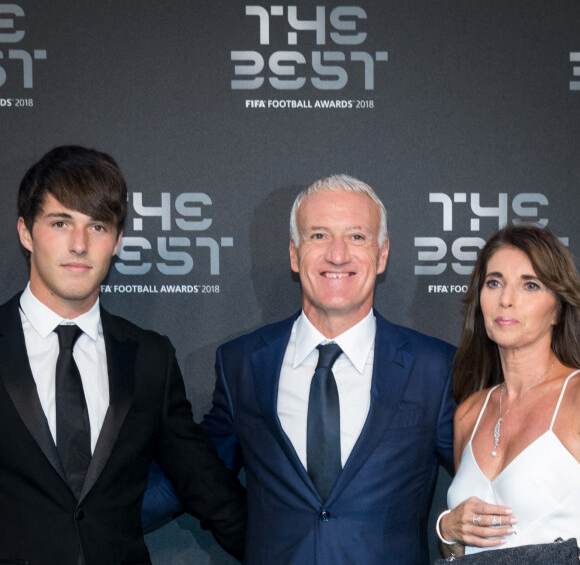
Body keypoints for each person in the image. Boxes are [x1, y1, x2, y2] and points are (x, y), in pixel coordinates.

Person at [146, 174, 457, 563]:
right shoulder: (242, 362)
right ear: (295, 255)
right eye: (319, 236)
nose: (338, 255)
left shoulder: (435, 367)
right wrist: (80, 515)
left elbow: (484, 478)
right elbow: (196, 475)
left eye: (357, 237)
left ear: (382, 254)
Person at [0, 145, 246, 565]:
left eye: (97, 226)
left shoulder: (150, 357)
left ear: (116, 241)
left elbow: (204, 484)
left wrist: (297, 552)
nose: (79, 245)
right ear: (26, 232)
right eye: (61, 223)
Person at [436, 224, 580, 558]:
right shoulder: (469, 413)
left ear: (557, 308)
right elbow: (459, 554)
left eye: (529, 285)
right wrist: (447, 529)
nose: (506, 300)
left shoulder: (575, 397)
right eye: (494, 282)